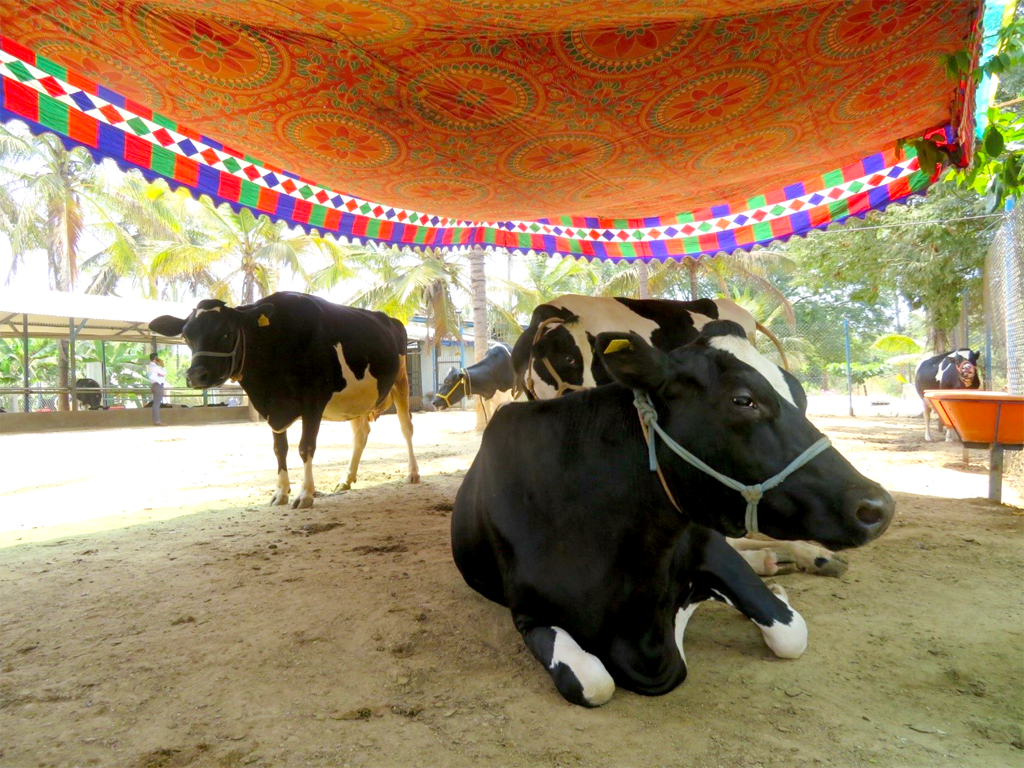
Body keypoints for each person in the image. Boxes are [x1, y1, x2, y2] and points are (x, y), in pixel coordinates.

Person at [148, 352, 167, 426]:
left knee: (156, 403)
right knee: (157, 404)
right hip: (157, 385)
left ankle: (156, 420)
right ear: (156, 358)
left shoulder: (151, 366)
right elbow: (164, 373)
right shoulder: (154, 367)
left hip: (155, 385)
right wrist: (163, 366)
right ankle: (157, 421)